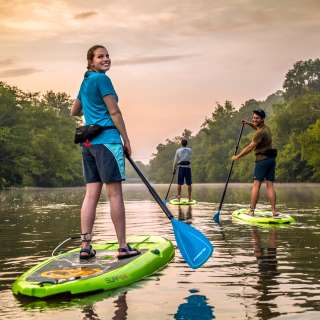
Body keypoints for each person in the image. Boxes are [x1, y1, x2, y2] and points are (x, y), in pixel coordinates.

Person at [71, 45, 140, 259]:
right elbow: (114, 111)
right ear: (91, 61)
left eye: (108, 55)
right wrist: (126, 139)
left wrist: (91, 106)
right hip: (108, 141)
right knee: (115, 194)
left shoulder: (86, 81)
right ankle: (122, 247)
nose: (106, 59)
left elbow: (74, 110)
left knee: (91, 194)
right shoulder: (102, 80)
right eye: (100, 56)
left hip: (89, 144)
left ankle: (85, 246)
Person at [232, 109, 278, 216]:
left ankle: (251, 211)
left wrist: (238, 156)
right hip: (271, 160)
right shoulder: (266, 128)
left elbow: (250, 147)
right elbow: (256, 127)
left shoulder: (259, 133)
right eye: (253, 118)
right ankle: (274, 211)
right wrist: (248, 123)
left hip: (262, 161)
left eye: (256, 118)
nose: (254, 120)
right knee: (270, 185)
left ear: (262, 119)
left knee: (256, 185)